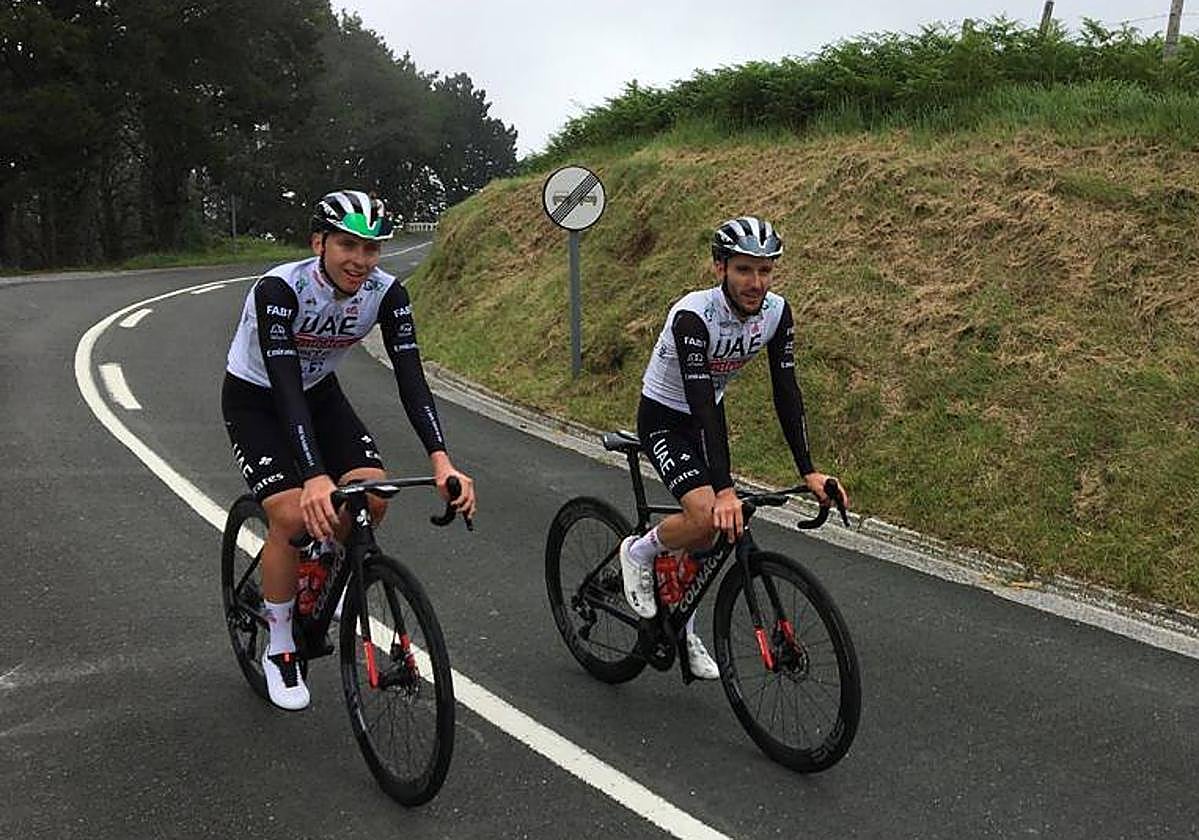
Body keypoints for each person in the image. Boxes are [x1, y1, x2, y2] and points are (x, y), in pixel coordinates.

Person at [222, 189, 476, 710]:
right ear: (319, 242)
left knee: (372, 498)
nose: (360, 261)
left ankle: (318, 570)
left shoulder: (386, 293)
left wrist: (441, 459)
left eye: (372, 249)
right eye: (347, 245)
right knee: (294, 517)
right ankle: (282, 643)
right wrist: (314, 475)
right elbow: (284, 384)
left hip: (319, 396)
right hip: (259, 400)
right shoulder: (280, 291)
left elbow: (411, 379)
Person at [621, 215, 849, 679]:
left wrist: (809, 470)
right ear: (719, 268)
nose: (756, 282)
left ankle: (679, 622)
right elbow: (700, 402)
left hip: (707, 416)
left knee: (715, 528)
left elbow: (787, 392)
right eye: (744, 269)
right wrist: (723, 490)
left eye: (765, 271)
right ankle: (639, 552)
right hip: (666, 418)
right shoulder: (692, 316)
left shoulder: (776, 313)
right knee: (709, 514)